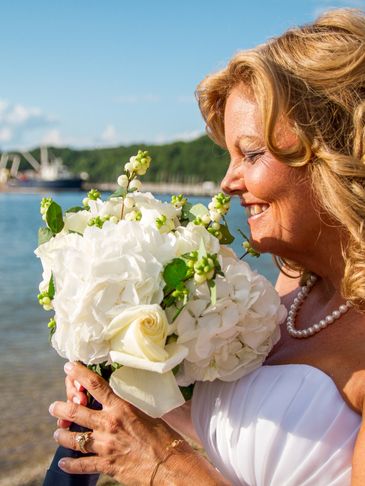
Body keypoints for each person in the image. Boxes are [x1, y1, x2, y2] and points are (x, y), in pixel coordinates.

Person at [48, 8, 365, 485]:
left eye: (252, 153)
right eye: (229, 156)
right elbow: (249, 435)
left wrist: (158, 464)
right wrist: (128, 386)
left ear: (335, 153)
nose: (227, 182)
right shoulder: (293, 287)